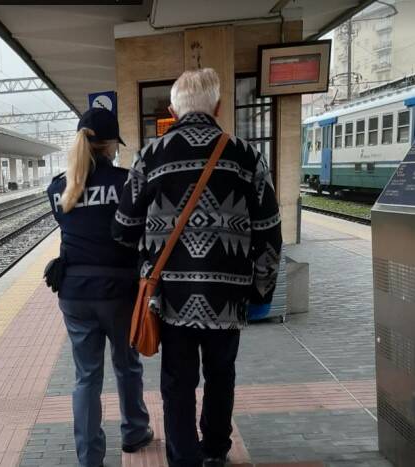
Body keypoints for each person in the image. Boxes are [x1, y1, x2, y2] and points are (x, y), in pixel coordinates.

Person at [112, 69, 282, 467]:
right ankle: (216, 450)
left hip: (172, 299)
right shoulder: (246, 154)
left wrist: (146, 257)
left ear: (173, 110)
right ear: (218, 107)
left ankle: (184, 459)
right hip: (228, 297)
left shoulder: (152, 155)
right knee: (221, 375)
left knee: (177, 383)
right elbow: (270, 235)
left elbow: (121, 228)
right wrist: (260, 292)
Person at [47, 108, 153, 467]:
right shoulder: (127, 182)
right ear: (109, 146)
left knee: (86, 377)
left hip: (74, 293)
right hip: (118, 290)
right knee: (127, 364)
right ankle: (134, 431)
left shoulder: (59, 188)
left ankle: (90, 457)